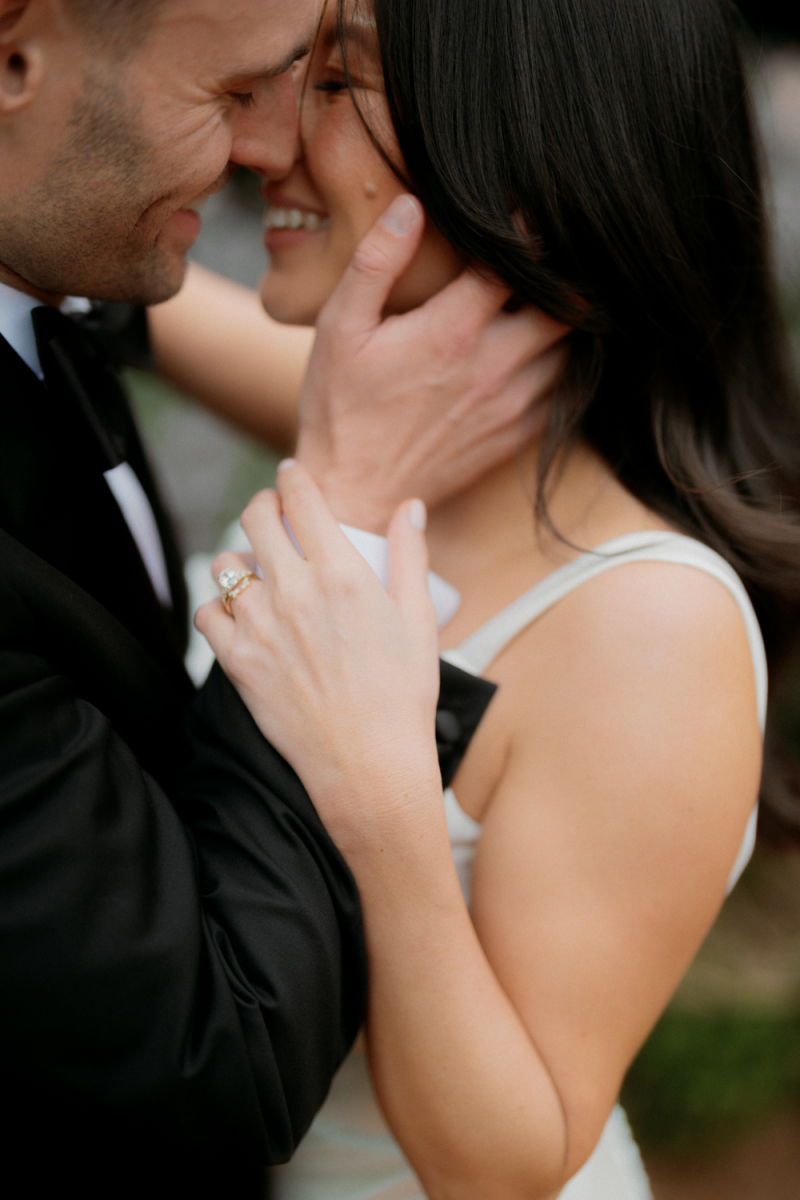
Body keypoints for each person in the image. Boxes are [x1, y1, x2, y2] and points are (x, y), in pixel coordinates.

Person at [154, 0, 800, 1196]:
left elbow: (509, 1158)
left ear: (532, 173)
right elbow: (142, 307)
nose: (263, 140)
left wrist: (383, 799)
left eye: (337, 86)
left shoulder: (645, 625)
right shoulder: (374, 429)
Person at [0, 1, 564, 1197]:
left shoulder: (56, 263)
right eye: (235, 90)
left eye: (328, 84)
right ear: (13, 57)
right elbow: (212, 1057)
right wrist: (343, 506)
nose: (269, 150)